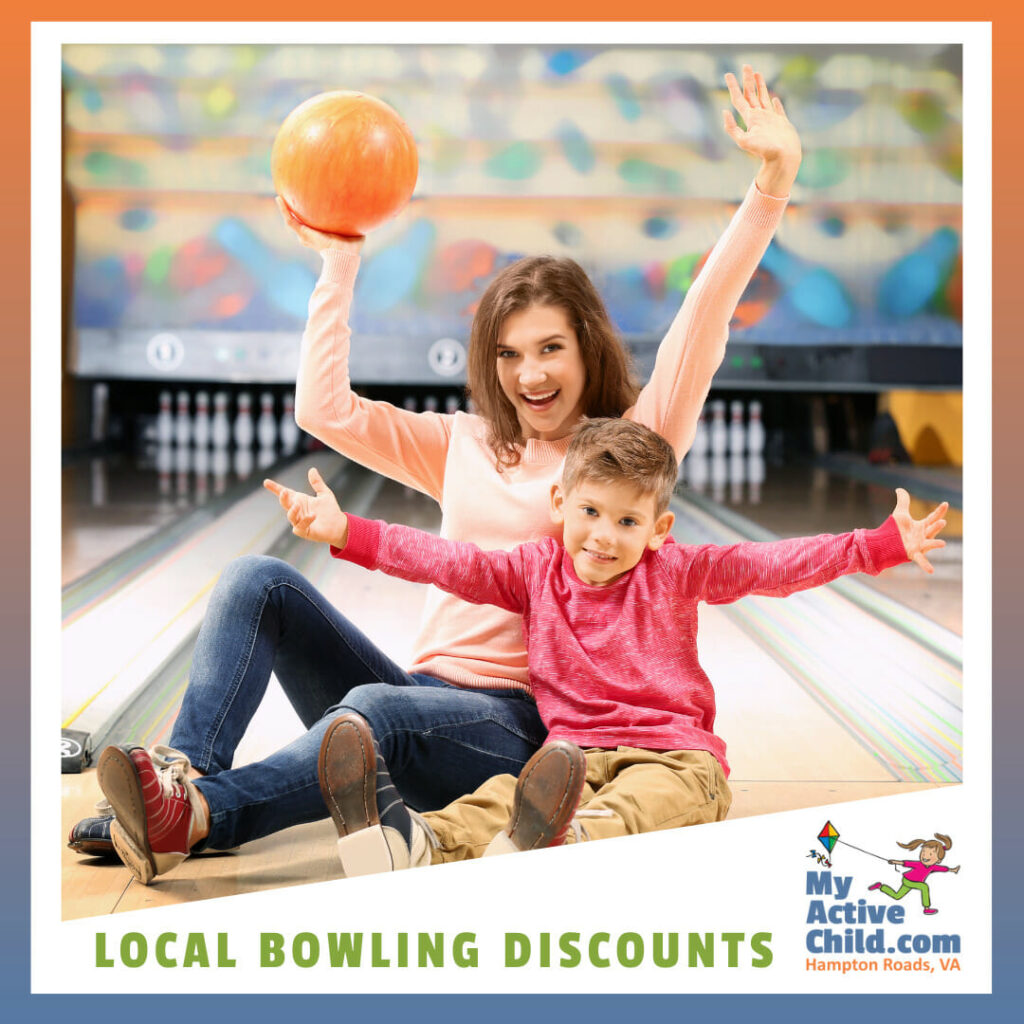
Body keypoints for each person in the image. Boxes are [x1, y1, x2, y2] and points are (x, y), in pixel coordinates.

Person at [78, 66, 803, 883]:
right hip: (416, 695)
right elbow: (325, 412)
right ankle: (183, 782)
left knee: (377, 713)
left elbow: (704, 316)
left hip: (518, 729)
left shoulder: (627, 449)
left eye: (549, 348)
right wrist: (340, 263)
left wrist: (772, 182)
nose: (528, 373)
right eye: (508, 353)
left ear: (587, 347)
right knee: (258, 581)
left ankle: (207, 818)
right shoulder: (462, 441)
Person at [260, 418, 948, 874]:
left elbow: (773, 566)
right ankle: (414, 844)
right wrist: (349, 530)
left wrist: (878, 545)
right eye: (590, 511)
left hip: (676, 757)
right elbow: (449, 561)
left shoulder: (679, 570)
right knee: (503, 796)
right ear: (560, 504)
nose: (603, 534)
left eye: (626, 520)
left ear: (659, 527)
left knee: (648, 801)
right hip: (570, 759)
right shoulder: (534, 570)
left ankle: (566, 840)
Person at [869, 833, 960, 915]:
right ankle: (926, 908)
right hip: (908, 880)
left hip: (910, 883)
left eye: (930, 854)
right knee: (924, 887)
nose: (925, 856)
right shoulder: (918, 864)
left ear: (938, 860)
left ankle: (881, 886)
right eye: (923, 853)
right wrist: (894, 862)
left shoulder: (932, 867)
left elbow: (943, 869)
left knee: (897, 896)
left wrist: (953, 870)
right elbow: (906, 863)